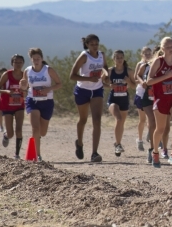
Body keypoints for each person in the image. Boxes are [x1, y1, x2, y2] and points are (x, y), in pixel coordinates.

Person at [70, 34, 108, 163]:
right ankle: (79, 143)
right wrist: (88, 79)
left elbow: (105, 67)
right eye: (92, 44)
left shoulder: (102, 55)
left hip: (97, 90)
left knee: (97, 120)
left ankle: (94, 153)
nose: (95, 47)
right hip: (83, 91)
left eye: (96, 44)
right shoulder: (84, 56)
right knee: (83, 119)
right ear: (87, 45)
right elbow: (72, 76)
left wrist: (105, 75)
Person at [19, 48, 62, 161]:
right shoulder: (27, 71)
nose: (36, 61)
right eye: (34, 59)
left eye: (38, 58)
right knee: (35, 128)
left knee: (42, 132)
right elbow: (24, 87)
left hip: (47, 102)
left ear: (42, 59)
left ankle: (37, 139)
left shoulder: (48, 70)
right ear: (31, 60)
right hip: (32, 101)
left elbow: (59, 84)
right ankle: (37, 155)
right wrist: (22, 86)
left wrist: (49, 89)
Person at [146, 37, 172, 168]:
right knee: (160, 129)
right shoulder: (158, 62)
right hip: (161, 99)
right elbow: (149, 81)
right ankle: (155, 152)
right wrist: (165, 77)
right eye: (167, 47)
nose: (170, 48)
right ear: (162, 49)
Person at [104, 50, 136, 158]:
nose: (119, 59)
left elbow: (134, 86)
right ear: (114, 59)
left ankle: (118, 143)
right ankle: (117, 145)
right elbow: (100, 82)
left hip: (124, 99)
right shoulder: (109, 71)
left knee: (121, 123)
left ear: (124, 59)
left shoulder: (129, 71)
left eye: (121, 57)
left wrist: (128, 81)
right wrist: (109, 86)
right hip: (113, 99)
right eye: (117, 57)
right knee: (118, 119)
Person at [0, 58, 25, 158]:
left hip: (19, 105)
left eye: (20, 62)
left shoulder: (24, 75)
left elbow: (28, 88)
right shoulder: (7, 74)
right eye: (16, 62)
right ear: (12, 63)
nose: (18, 64)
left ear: (23, 63)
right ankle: (6, 135)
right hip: (7, 105)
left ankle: (17, 154)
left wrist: (25, 90)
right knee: (11, 134)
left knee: (19, 130)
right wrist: (7, 91)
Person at [133, 46, 153, 151]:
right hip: (141, 93)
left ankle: (151, 135)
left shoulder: (153, 64)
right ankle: (139, 140)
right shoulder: (140, 65)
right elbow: (135, 78)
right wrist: (142, 82)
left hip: (151, 94)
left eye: (149, 53)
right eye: (146, 53)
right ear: (142, 54)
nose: (148, 55)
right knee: (142, 119)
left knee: (152, 118)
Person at [0, 67, 7, 133]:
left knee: (6, 112)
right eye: (1, 72)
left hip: (7, 97)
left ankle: (6, 126)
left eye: (4, 72)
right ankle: (1, 126)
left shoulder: (9, 79)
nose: (3, 73)